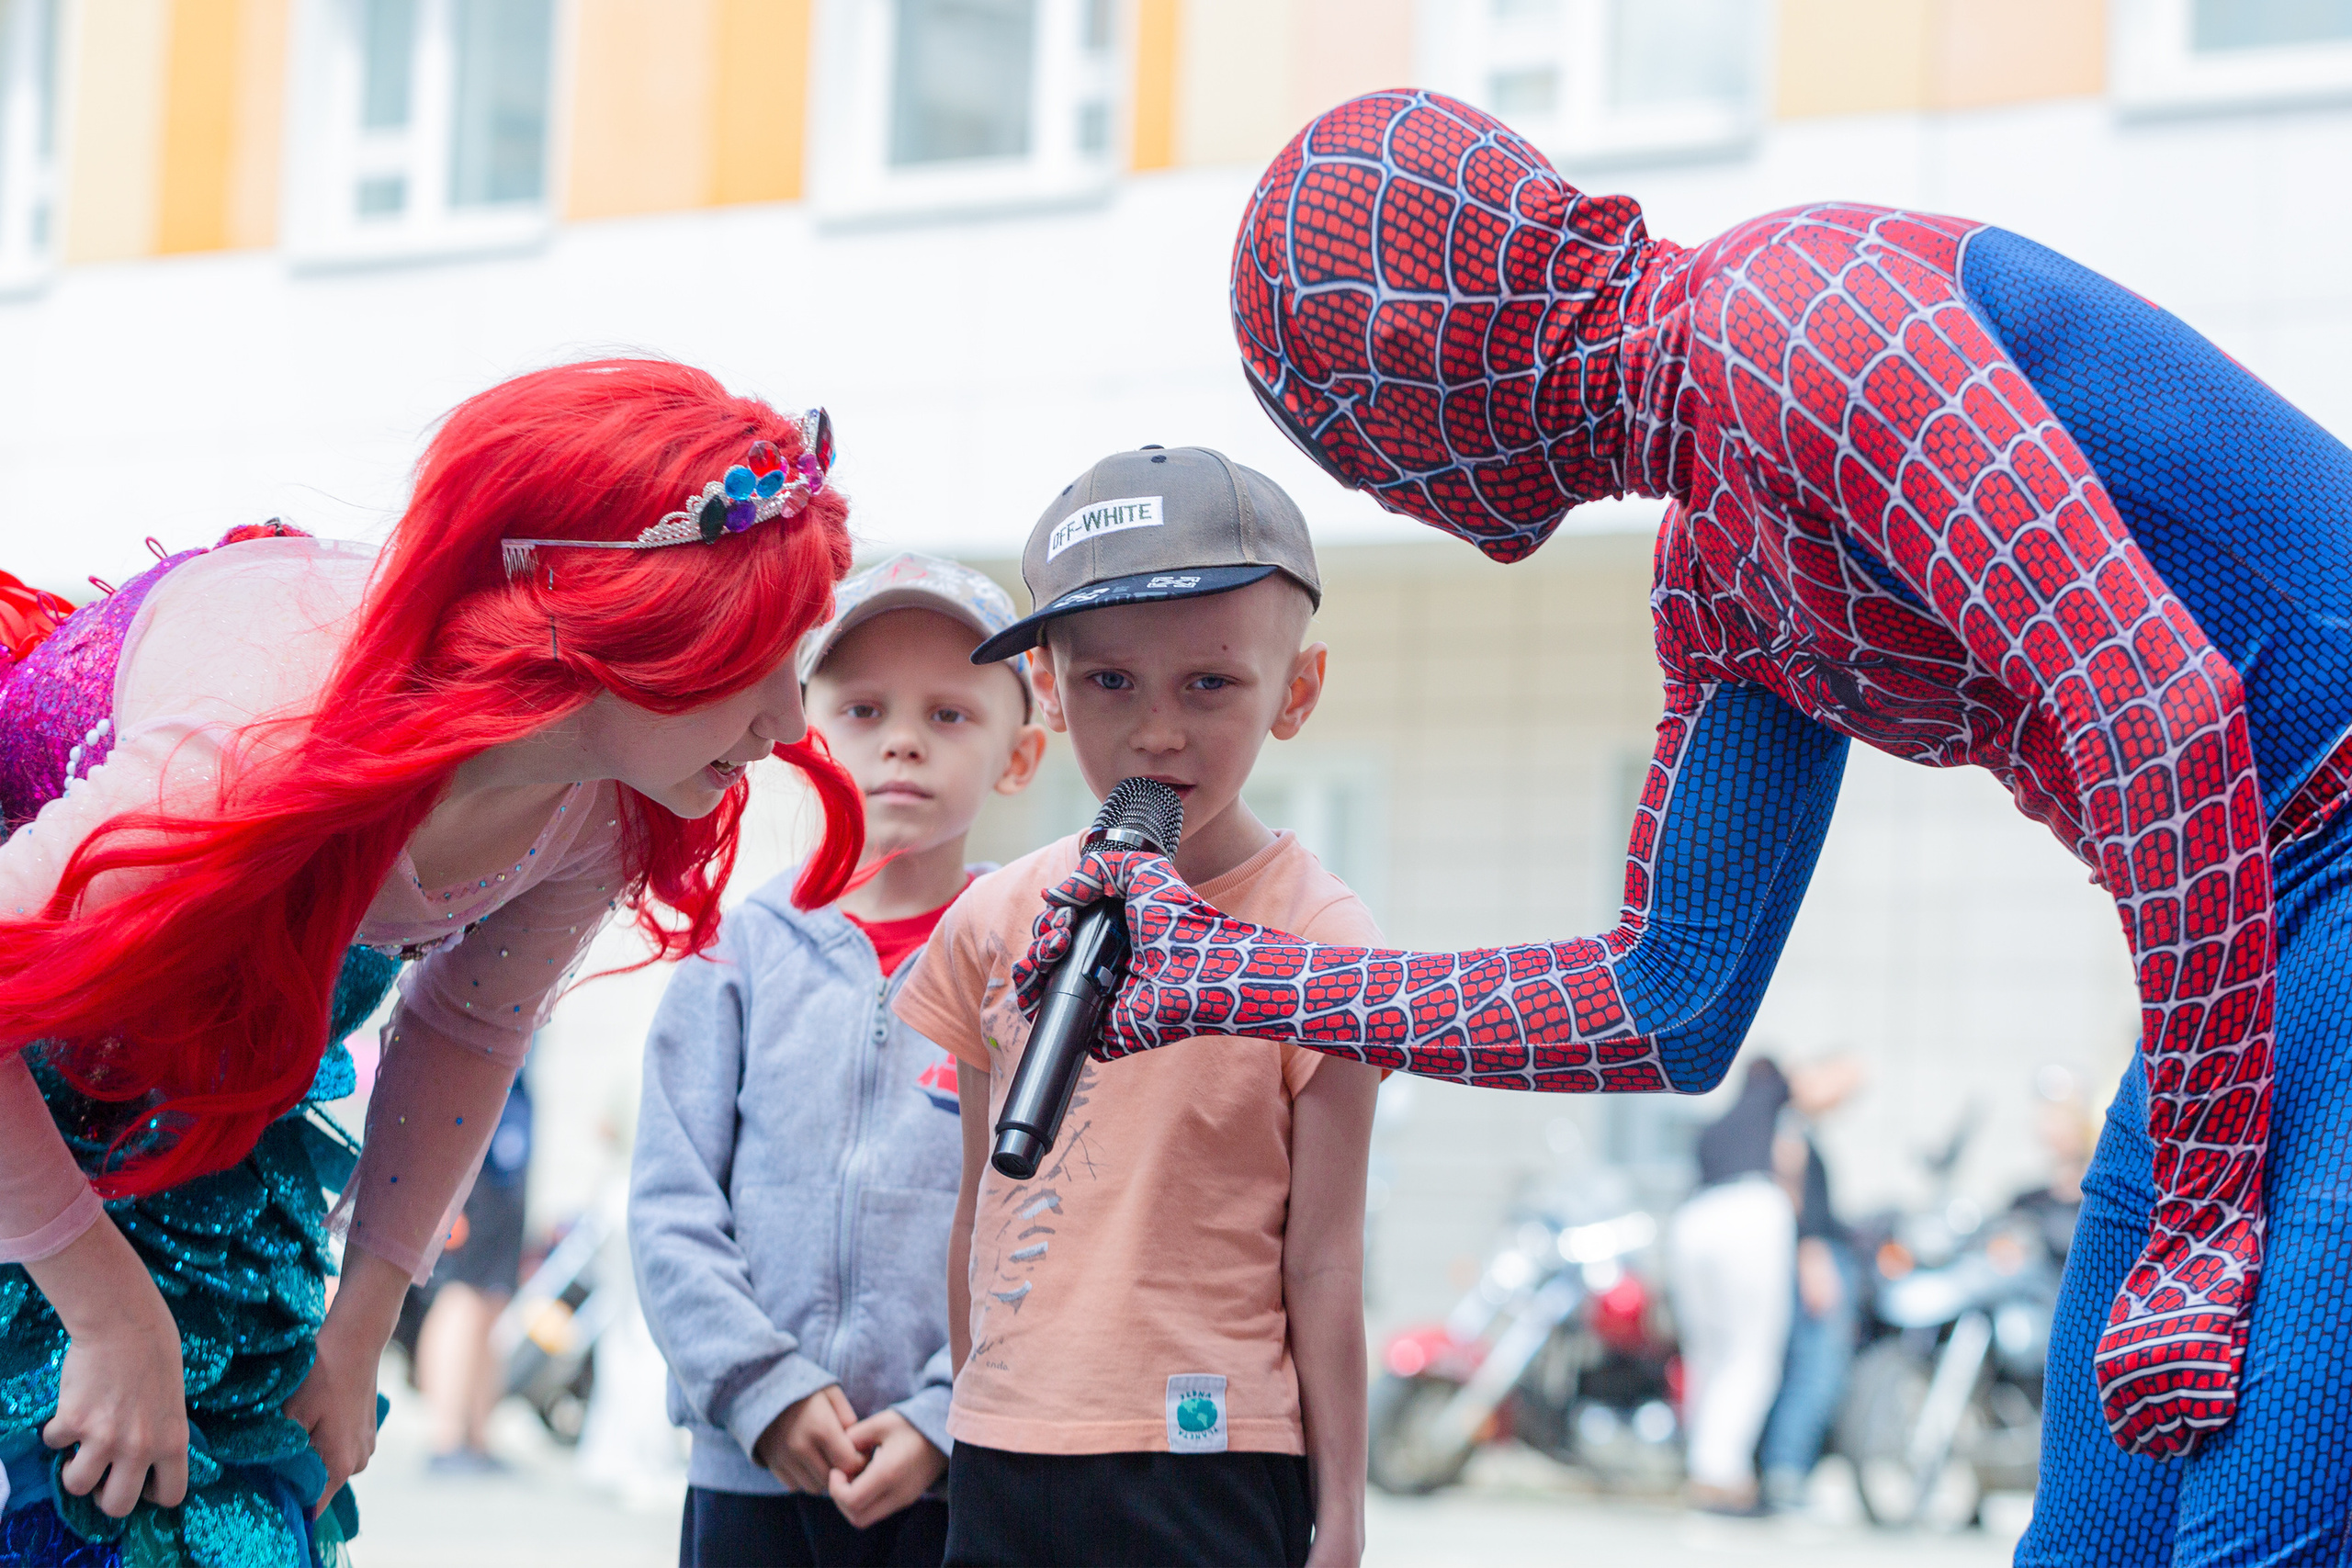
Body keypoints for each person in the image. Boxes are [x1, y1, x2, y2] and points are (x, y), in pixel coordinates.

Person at [1016, 89, 2352, 1562]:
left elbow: (2159, 715)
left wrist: (2205, 1226)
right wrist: (1233, 977)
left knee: (2260, 1519)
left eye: (1353, 439)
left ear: (1424, 354)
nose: (1390, 490)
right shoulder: (1717, 556)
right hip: (2258, 920)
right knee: (2090, 1538)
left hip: (2306, 852)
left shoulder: (1802, 316)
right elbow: (1671, 996)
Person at [0, 361, 862, 1565]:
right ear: (593, 633)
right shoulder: (248, 752)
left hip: (215, 1122)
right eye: (744, 654)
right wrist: (103, 1304)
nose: (786, 719)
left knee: (246, 1502)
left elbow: (468, 1024)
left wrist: (365, 1317)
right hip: (32, 1091)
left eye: (797, 652)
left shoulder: (602, 795)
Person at [892, 447, 1382, 1568]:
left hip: (1212, 1455)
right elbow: (979, 1207)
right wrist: (977, 1412)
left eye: (1209, 684)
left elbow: (1325, 1258)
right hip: (1008, 1447)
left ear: (1295, 692)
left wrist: (1342, 1513)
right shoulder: (996, 919)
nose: (1158, 731)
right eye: (1110, 682)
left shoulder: (1319, 939)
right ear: (1053, 699)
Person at [630, 552, 1046, 1568]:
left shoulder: (1036, 968)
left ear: (1020, 756)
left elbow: (1058, 1223)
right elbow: (669, 1207)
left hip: (960, 1476)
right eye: (863, 710)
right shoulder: (731, 956)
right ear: (801, 730)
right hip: (752, 1466)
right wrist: (760, 1391)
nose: (903, 739)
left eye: (949, 715)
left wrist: (946, 1415)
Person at [1668, 1057, 1796, 1516]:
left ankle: (1703, 1466)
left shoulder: (1717, 1123)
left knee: (1706, 1355)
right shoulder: (1777, 1117)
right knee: (1752, 1356)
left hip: (1694, 1218)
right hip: (1749, 1214)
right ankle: (1721, 1475)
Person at [1758, 1055, 1866, 1512]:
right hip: (1812, 1257)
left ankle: (1783, 1473)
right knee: (1816, 1368)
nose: (1843, 1099)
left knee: (1809, 1366)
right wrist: (1811, 1254)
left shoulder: (1793, 1126)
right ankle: (1785, 1475)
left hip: (1814, 1253)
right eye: (1839, 1084)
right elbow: (1792, 1198)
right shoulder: (1787, 1126)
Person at [416, 1072, 533, 1475]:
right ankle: (447, 1438)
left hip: (504, 1161)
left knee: (492, 1300)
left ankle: (478, 1438)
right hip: (473, 1158)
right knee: (462, 1295)